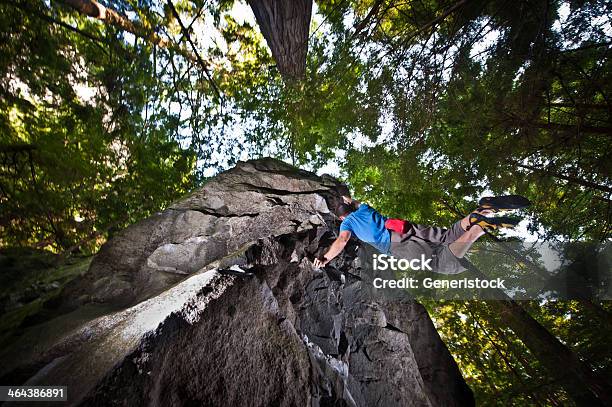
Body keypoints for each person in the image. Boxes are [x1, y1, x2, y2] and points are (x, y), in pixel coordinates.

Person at [313, 195, 530, 274]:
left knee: (442, 264)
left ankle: (479, 227)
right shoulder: (363, 208)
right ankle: (482, 209)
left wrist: (325, 258)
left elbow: (342, 241)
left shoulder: (347, 223)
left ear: (342, 218)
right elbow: (355, 202)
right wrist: (348, 200)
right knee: (447, 237)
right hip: (404, 227)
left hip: (395, 244)